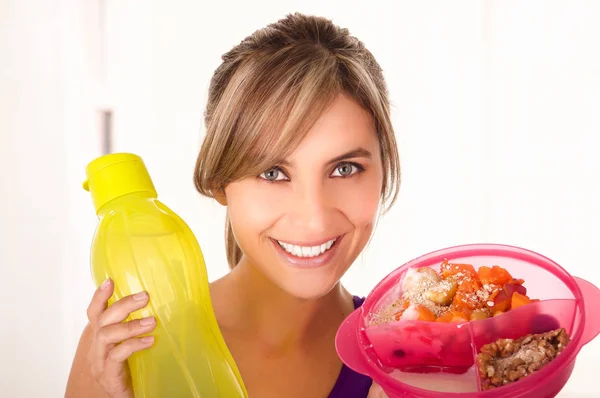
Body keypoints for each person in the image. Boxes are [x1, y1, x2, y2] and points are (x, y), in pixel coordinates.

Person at [65, 12, 400, 398]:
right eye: (273, 173)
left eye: (345, 168)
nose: (313, 217)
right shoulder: (125, 352)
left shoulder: (412, 360)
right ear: (218, 180)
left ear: (383, 169)